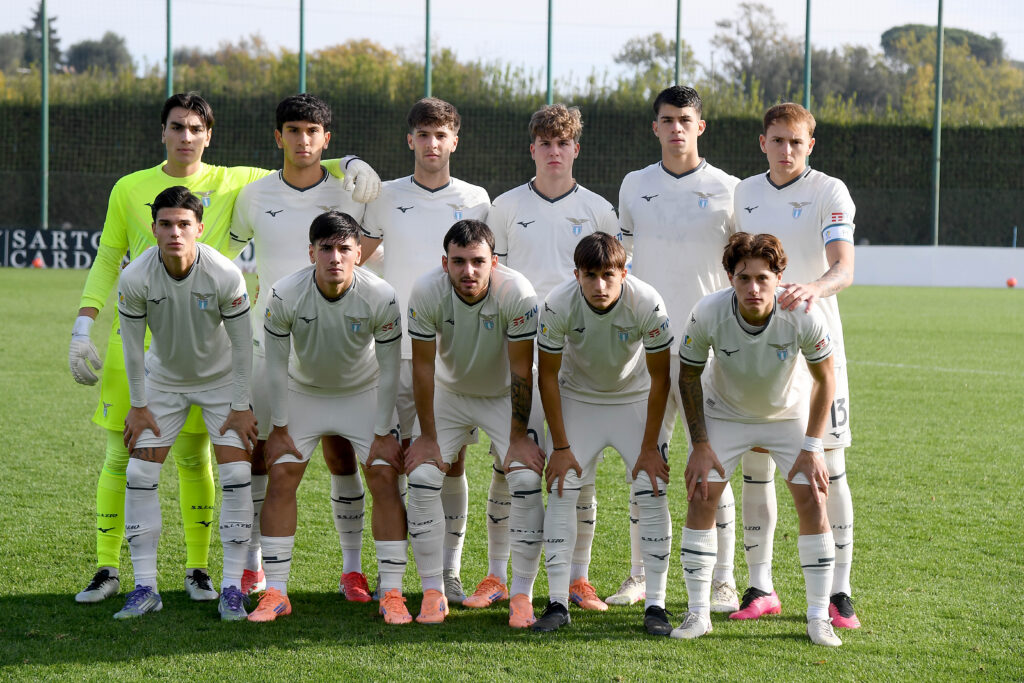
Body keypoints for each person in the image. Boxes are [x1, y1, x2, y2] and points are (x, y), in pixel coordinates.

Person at [68, 92, 381, 604]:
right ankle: (113, 569)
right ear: (163, 131)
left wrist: (348, 161)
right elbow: (108, 258)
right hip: (167, 342)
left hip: (237, 345)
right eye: (177, 126)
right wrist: (84, 323)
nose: (186, 136)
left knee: (214, 457)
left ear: (208, 134)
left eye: (195, 127)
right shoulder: (135, 188)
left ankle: (204, 571)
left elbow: (302, 158)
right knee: (128, 456)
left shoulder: (237, 180)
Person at [225, 93, 372, 600]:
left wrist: (351, 163)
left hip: (340, 350)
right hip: (272, 347)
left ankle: (352, 568)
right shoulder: (254, 196)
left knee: (341, 456)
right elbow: (222, 250)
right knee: (264, 454)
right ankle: (254, 566)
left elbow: (369, 249)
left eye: (313, 132)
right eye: (293, 130)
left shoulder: (351, 192)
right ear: (279, 136)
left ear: (326, 139)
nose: (303, 140)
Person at [482, 103, 619, 613]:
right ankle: (497, 575)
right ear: (532, 149)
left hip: (581, 357)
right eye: (545, 143)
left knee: (578, 468)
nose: (554, 151)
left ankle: (579, 578)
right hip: (518, 352)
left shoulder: (601, 211)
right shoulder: (505, 206)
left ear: (575, 150)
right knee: (506, 462)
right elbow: (491, 278)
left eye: (563, 144)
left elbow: (615, 284)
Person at [674, 231, 841, 647]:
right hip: (726, 413)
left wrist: (812, 447)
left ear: (779, 277)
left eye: (763, 278)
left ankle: (818, 616)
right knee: (701, 495)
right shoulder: (708, 310)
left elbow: (826, 379)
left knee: (813, 497)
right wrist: (699, 445)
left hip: (786, 415)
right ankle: (697, 613)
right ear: (729, 276)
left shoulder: (802, 311)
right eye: (743, 277)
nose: (753, 288)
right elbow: (688, 373)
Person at [732, 103, 859, 628]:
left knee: (829, 467)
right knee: (757, 467)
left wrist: (813, 288)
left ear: (811, 145)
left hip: (816, 346)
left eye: (797, 143)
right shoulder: (745, 192)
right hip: (757, 345)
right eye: (778, 140)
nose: (787, 151)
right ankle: (760, 585)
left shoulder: (830, 191)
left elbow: (844, 267)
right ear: (762, 141)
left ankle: (839, 591)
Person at [615, 84, 741, 610]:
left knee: (713, 461)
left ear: (700, 127)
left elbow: (743, 266)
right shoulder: (633, 185)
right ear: (655, 127)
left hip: (709, 348)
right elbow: (621, 262)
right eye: (667, 120)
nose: (675, 129)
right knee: (646, 460)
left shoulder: (730, 188)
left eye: (685, 120)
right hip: (648, 347)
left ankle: (724, 580)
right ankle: (640, 574)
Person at [359, 98, 491, 604]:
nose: (432, 144)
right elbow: (356, 261)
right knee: (389, 462)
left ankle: (448, 573)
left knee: (451, 463)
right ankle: (389, 572)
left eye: (442, 135)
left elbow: (486, 270)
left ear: (454, 140)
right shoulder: (385, 198)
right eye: (423, 135)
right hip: (394, 350)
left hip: (455, 357)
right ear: (409, 140)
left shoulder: (477, 198)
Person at [247, 211, 403, 623]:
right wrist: (279, 428)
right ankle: (276, 592)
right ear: (311, 252)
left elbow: (390, 371)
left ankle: (391, 592)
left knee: (385, 474)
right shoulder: (284, 294)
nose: (335, 257)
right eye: (327, 249)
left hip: (363, 392)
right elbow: (275, 367)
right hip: (305, 392)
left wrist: (385, 430)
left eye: (344, 249)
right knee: (281, 472)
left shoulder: (381, 295)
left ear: (358, 254)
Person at [113, 186, 257, 621]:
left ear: (199, 228)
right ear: (153, 228)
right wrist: (138, 405)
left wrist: (241, 403)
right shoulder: (135, 277)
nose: (175, 232)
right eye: (166, 224)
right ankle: (145, 587)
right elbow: (134, 350)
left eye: (183, 224)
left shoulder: (224, 274)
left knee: (235, 473)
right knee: (139, 473)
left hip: (221, 384)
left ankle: (232, 588)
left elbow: (244, 346)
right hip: (164, 384)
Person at [531, 233, 674, 635]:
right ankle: (557, 601)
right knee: (563, 488)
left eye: (608, 275)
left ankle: (656, 605)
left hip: (634, 400)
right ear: (576, 274)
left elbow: (661, 379)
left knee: (653, 488)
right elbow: (547, 375)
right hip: (580, 400)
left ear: (623, 273)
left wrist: (650, 447)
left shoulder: (648, 302)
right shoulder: (558, 304)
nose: (599, 286)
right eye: (590, 276)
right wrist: (559, 446)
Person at [404, 220, 544, 627]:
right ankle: (434, 589)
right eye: (459, 261)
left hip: (503, 395)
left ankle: (521, 594)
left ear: (493, 262)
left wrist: (518, 438)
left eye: (478, 261)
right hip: (450, 395)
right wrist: (428, 437)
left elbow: (522, 370)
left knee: (524, 480)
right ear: (444, 262)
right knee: (425, 476)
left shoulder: (516, 292)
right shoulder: (426, 290)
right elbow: (423, 369)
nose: (468, 271)